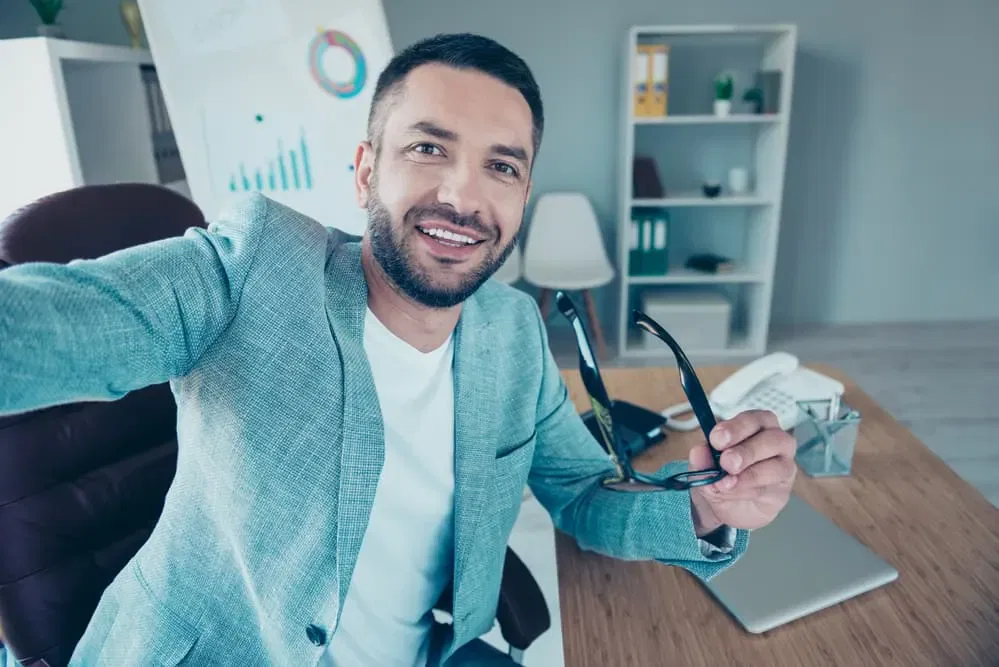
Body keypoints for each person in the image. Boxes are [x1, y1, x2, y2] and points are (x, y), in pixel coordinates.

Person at [0, 33, 796, 667]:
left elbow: (584, 494)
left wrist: (703, 507)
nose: (461, 195)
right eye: (427, 149)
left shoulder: (511, 334)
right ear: (365, 170)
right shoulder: (252, 266)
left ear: (521, 198)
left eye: (501, 166)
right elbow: (42, 329)